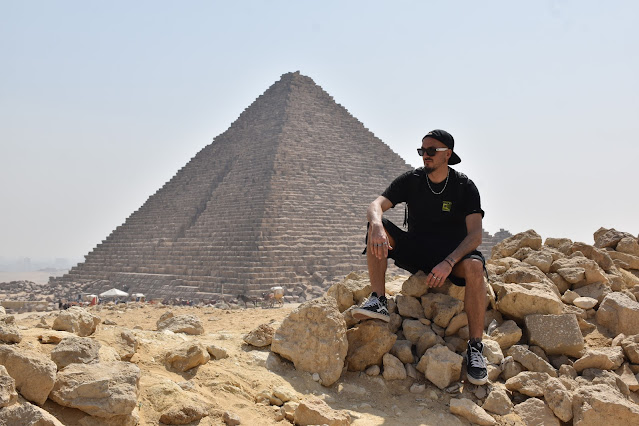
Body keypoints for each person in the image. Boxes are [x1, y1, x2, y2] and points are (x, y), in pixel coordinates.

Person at [352, 129, 488, 385]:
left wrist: (449, 262)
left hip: (451, 257)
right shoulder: (412, 180)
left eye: (431, 150)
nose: (425, 155)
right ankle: (378, 300)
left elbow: (475, 236)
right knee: (375, 229)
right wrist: (377, 225)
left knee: (474, 265)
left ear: (447, 154)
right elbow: (375, 205)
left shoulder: (464, 187)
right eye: (422, 150)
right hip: (416, 249)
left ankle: (475, 348)